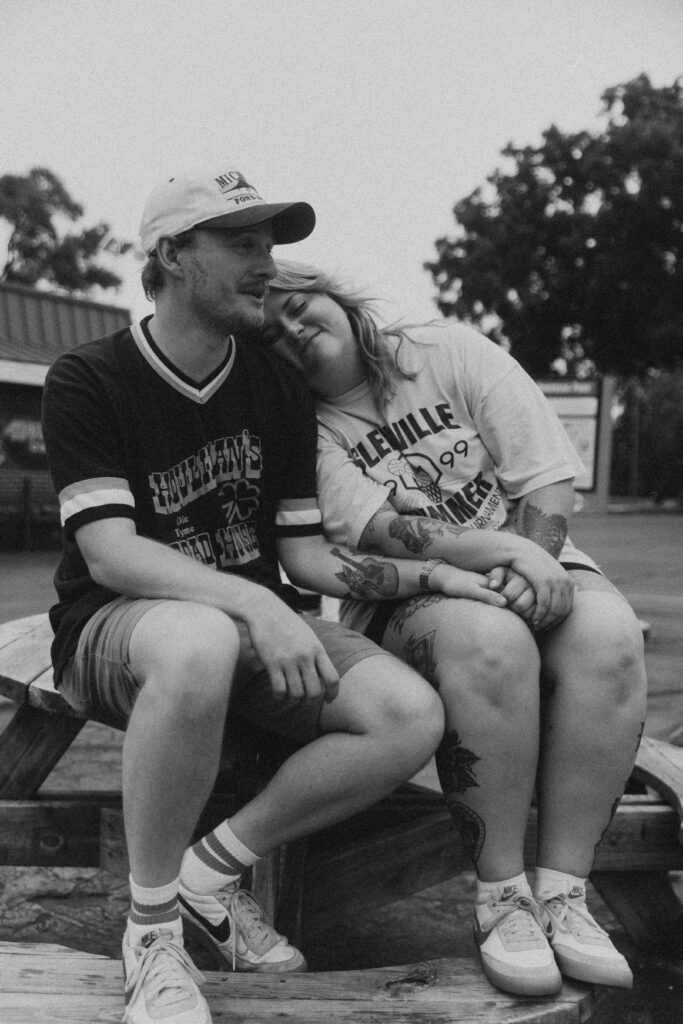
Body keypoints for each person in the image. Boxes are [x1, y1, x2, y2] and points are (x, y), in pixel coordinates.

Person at [40, 166, 513, 1024]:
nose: (267, 263)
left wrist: (439, 573)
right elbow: (108, 553)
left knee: (407, 714)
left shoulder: (272, 384)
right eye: (242, 242)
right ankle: (150, 940)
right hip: (114, 630)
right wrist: (256, 606)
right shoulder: (89, 375)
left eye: (271, 242)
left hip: (249, 625)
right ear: (171, 254)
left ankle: (202, 877)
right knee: (199, 640)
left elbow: (302, 552)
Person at [261, 259, 648, 997]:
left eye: (299, 304)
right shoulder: (301, 426)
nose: (293, 328)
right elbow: (384, 532)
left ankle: (564, 893)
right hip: (410, 591)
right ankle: (501, 896)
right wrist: (504, 562)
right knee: (487, 641)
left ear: (333, 294)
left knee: (608, 637)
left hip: (529, 555)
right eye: (270, 330)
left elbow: (541, 472)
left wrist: (526, 564)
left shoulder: (445, 351)